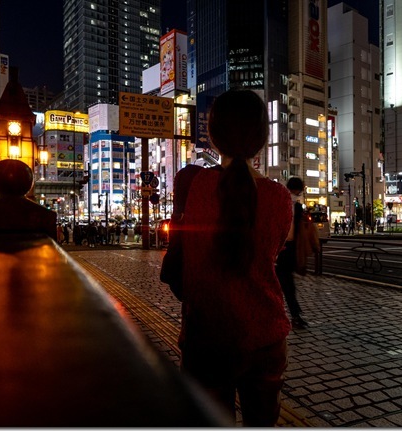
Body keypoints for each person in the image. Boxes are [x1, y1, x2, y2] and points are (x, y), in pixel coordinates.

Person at [175, 89, 292, 426]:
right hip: (266, 335)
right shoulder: (280, 197)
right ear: (262, 139)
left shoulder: (193, 186)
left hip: (207, 335)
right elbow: (271, 254)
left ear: (213, 135)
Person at [275, 177, 309, 330]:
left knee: (286, 284)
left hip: (282, 248)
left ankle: (294, 314)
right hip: (284, 248)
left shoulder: (284, 202)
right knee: (286, 284)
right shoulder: (289, 204)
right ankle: (293, 315)